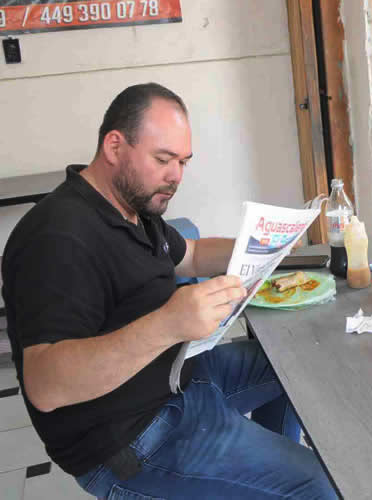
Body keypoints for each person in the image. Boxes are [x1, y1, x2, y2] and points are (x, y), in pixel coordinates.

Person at [1, 83, 336, 499]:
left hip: (179, 377)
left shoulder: (131, 206)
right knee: (317, 485)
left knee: (292, 365)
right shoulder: (57, 238)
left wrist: (267, 248)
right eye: (163, 159)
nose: (176, 175)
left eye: (183, 162)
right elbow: (46, 386)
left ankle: (263, 476)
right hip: (133, 438)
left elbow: (191, 255)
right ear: (114, 145)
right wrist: (169, 324)